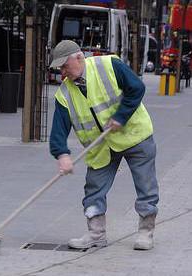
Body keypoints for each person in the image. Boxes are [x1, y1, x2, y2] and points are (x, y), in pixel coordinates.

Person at [49, 40, 159, 251]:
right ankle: (96, 234)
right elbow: (58, 130)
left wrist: (121, 116)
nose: (63, 72)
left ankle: (146, 231)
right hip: (100, 147)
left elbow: (137, 88)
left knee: (145, 185)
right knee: (93, 189)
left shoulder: (109, 65)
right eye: (60, 68)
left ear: (79, 57)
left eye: (65, 66)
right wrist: (61, 154)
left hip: (134, 135)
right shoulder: (64, 94)